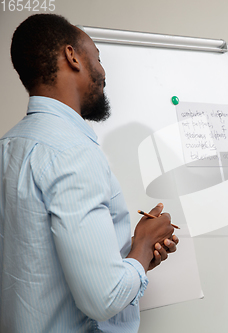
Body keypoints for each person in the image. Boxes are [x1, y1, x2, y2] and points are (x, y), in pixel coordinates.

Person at [0, 14, 179, 332]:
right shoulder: (73, 153)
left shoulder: (9, 146)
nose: (103, 72)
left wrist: (135, 257)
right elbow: (104, 298)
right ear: (72, 56)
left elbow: (39, 260)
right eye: (97, 57)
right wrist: (141, 245)